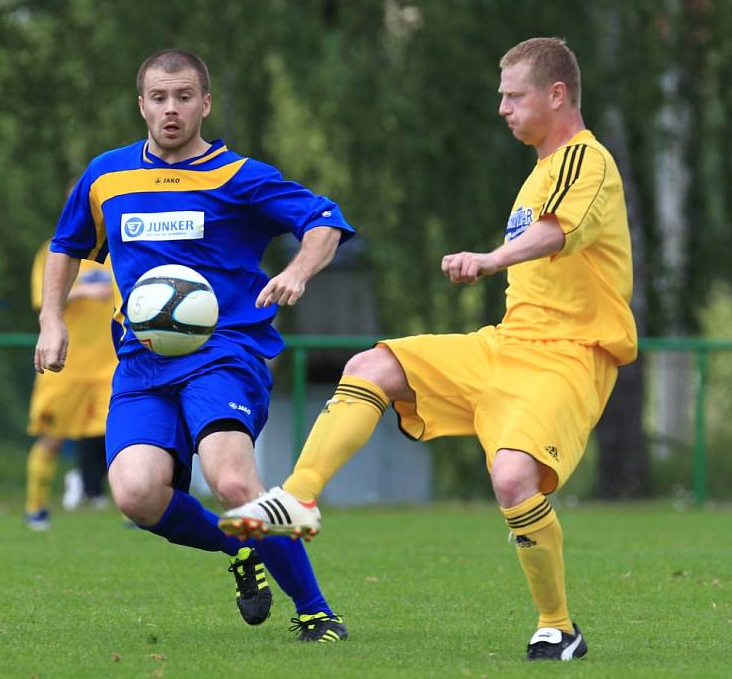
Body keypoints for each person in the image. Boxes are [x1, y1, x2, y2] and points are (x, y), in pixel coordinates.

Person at [221, 37, 638, 660]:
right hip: (506, 345)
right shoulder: (539, 173)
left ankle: (558, 625)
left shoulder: (586, 160)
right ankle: (298, 499)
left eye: (513, 95)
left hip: (568, 355)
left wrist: (490, 258)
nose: (502, 108)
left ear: (557, 95)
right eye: (501, 96)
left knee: (513, 477)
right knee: (374, 365)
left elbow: (556, 235)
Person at [34, 48, 353, 642]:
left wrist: (299, 272)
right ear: (141, 105)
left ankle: (315, 610)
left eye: (184, 97)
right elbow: (66, 244)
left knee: (233, 482)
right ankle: (241, 547)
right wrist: (53, 320)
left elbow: (325, 221)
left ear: (205, 103)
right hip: (141, 361)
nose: (171, 109)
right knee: (135, 494)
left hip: (223, 354)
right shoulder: (107, 175)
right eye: (159, 97)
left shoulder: (239, 176)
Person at [25, 236, 115, 530]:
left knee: (122, 435)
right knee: (52, 438)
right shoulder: (55, 250)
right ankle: (35, 509)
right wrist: (85, 290)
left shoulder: (121, 243)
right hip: (65, 362)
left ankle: (134, 513)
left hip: (112, 364)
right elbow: (43, 299)